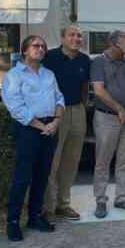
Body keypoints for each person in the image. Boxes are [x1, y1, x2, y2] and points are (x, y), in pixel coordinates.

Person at [1, 35, 65, 241]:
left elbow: (59, 98)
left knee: (42, 175)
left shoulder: (49, 74)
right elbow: (16, 108)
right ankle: (12, 221)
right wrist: (41, 126)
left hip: (50, 127)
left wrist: (55, 122)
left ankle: (35, 216)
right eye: (35, 46)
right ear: (25, 50)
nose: (40, 49)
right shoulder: (14, 75)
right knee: (22, 177)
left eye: (43, 46)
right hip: (28, 129)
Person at [90, 30, 125, 218]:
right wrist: (118, 108)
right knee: (103, 160)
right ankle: (100, 200)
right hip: (107, 117)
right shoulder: (99, 62)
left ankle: (121, 197)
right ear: (114, 44)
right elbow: (98, 90)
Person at [41, 26, 90, 221]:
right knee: (53, 160)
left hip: (77, 110)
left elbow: (85, 87)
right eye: (72, 35)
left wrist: (82, 108)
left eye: (79, 36)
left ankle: (64, 204)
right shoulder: (49, 57)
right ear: (62, 38)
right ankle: (47, 207)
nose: (76, 38)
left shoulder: (85, 60)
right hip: (54, 112)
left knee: (71, 160)